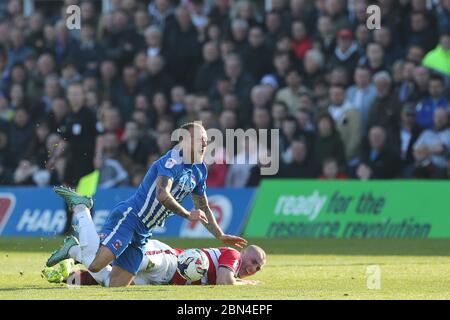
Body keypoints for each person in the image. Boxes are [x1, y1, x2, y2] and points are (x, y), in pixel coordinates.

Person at [46, 122, 247, 287]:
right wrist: (187, 214)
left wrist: (219, 234)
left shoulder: (199, 170)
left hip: (144, 232)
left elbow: (203, 206)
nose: (204, 143)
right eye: (199, 139)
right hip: (131, 217)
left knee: (115, 285)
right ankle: (82, 209)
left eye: (205, 139)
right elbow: (162, 194)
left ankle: (74, 248)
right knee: (97, 265)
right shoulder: (171, 162)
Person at [43, 239, 265, 287]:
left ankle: (66, 274)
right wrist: (247, 285)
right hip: (165, 260)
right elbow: (226, 282)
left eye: (258, 268)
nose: (253, 268)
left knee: (112, 282)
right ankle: (79, 248)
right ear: (244, 253)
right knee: (124, 261)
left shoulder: (236, 265)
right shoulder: (234, 256)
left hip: (162, 281)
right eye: (254, 261)